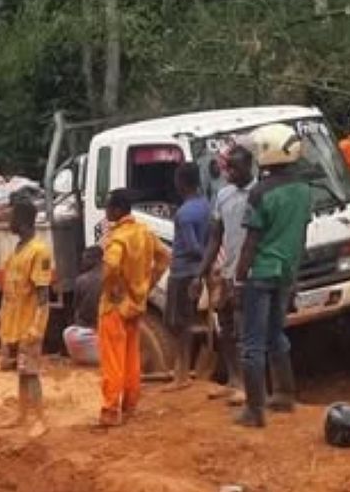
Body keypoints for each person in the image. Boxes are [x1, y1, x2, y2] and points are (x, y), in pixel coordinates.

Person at [233, 123, 313, 429]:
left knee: (251, 343)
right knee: (276, 334)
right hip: (286, 272)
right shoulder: (304, 189)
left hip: (261, 272)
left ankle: (254, 411)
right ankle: (284, 393)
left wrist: (238, 280)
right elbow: (301, 235)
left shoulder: (260, 192)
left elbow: (251, 243)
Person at [96, 190, 168, 427]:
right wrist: (148, 285)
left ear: (117, 210)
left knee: (113, 360)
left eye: (107, 207)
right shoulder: (144, 232)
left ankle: (109, 409)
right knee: (131, 357)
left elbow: (110, 267)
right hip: (136, 304)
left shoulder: (117, 238)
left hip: (115, 307)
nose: (106, 212)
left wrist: (112, 289)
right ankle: (130, 405)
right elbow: (164, 257)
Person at [0, 196, 53, 426]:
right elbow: (10, 292)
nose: (8, 221)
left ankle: (40, 419)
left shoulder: (39, 252)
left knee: (31, 372)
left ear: (23, 221)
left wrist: (37, 327)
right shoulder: (17, 250)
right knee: (22, 371)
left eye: (12, 216)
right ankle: (22, 415)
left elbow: (43, 296)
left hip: (28, 325)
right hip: (13, 323)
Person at [198, 141, 254, 402]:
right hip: (227, 272)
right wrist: (203, 271)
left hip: (252, 273)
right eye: (228, 168)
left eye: (236, 168)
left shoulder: (260, 194)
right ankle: (234, 378)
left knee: (246, 331)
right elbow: (215, 237)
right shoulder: (223, 195)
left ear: (249, 166)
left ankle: (250, 387)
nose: (231, 173)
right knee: (226, 327)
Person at [166, 162, 212, 384]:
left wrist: (204, 259)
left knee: (176, 322)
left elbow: (193, 246)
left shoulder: (184, 213)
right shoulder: (205, 205)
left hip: (183, 272)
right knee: (187, 320)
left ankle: (181, 373)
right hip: (195, 272)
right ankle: (182, 370)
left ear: (181, 182)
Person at [61, 250, 103, 366]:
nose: (83, 262)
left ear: (95, 260)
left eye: (86, 259)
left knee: (68, 333)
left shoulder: (81, 280)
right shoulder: (113, 278)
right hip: (106, 334)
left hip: (89, 333)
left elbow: (77, 308)